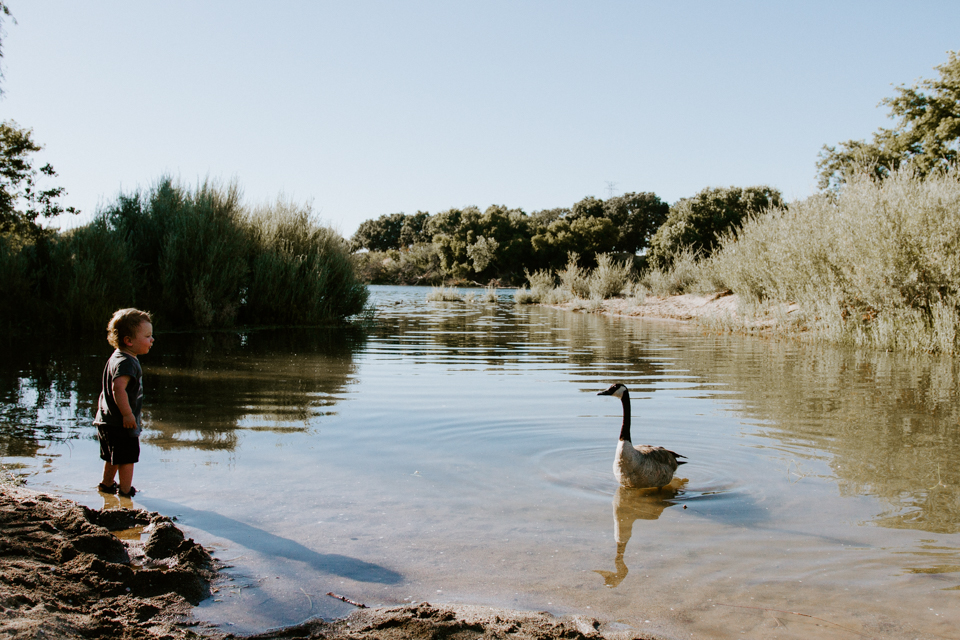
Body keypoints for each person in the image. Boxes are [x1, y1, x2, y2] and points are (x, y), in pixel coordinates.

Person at [94, 308, 154, 498]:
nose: (152, 340)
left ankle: (106, 485)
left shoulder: (117, 356)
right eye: (147, 336)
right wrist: (128, 415)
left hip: (106, 419)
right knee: (127, 458)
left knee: (113, 456)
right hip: (121, 422)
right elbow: (118, 388)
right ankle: (126, 492)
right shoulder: (126, 362)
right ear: (129, 341)